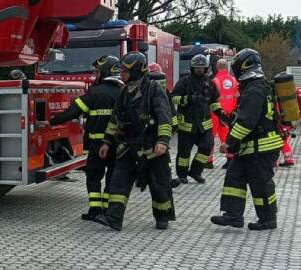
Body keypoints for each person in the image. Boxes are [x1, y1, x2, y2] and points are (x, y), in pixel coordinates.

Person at [98, 52, 175, 231]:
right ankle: (113, 218)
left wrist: (163, 141)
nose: (122, 74)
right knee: (119, 180)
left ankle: (162, 217)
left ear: (137, 71)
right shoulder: (124, 91)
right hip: (128, 147)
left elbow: (165, 117)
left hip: (152, 147)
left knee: (159, 184)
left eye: (125, 71)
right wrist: (107, 142)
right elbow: (114, 119)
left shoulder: (154, 89)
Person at [211, 48, 283, 231]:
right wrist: (221, 113)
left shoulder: (255, 89)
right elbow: (241, 116)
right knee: (234, 178)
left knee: (261, 185)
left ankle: (268, 219)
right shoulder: (256, 86)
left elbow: (246, 122)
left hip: (261, 146)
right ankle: (233, 215)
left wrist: (229, 142)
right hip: (251, 146)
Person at [49, 55, 123, 221]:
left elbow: (74, 111)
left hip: (98, 145)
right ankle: (107, 209)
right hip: (118, 144)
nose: (95, 75)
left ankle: (95, 210)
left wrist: (51, 121)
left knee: (94, 176)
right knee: (112, 176)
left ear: (104, 72)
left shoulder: (95, 92)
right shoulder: (124, 91)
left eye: (97, 72)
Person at [171, 54, 223, 186]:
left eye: (202, 67)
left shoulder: (210, 83)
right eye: (197, 67)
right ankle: (182, 175)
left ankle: (195, 171)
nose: (199, 70)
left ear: (206, 68)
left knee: (207, 146)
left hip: (204, 125)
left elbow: (214, 102)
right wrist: (188, 99)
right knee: (184, 153)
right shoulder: (184, 82)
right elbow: (173, 98)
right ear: (192, 67)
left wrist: (221, 114)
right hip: (187, 125)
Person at [212, 58, 238, 165]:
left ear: (217, 67)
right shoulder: (233, 80)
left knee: (211, 136)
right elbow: (237, 97)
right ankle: (230, 158)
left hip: (216, 112)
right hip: (229, 113)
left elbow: (211, 98)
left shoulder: (214, 81)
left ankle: (208, 161)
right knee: (227, 136)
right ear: (227, 67)